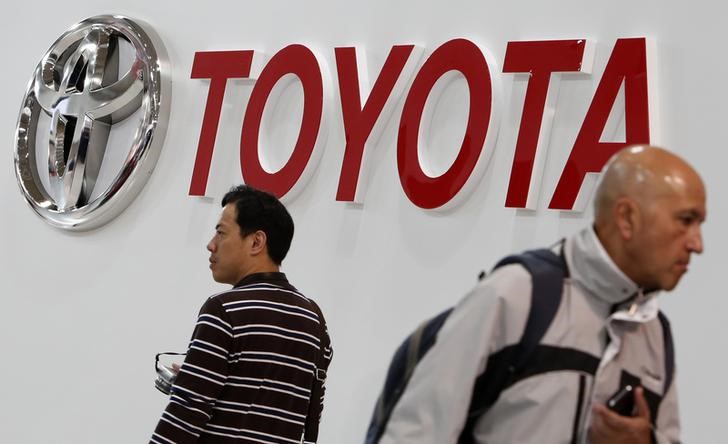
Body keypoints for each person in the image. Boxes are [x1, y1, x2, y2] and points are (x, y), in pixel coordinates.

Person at [378, 145, 705, 444]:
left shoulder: (656, 337)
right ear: (627, 218)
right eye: (686, 221)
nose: (697, 244)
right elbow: (416, 432)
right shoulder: (517, 294)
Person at [150, 185, 332, 444]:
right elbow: (308, 417)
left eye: (221, 233)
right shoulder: (314, 319)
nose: (211, 245)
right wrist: (197, 380)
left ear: (256, 242)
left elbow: (187, 412)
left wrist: (192, 388)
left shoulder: (223, 310)